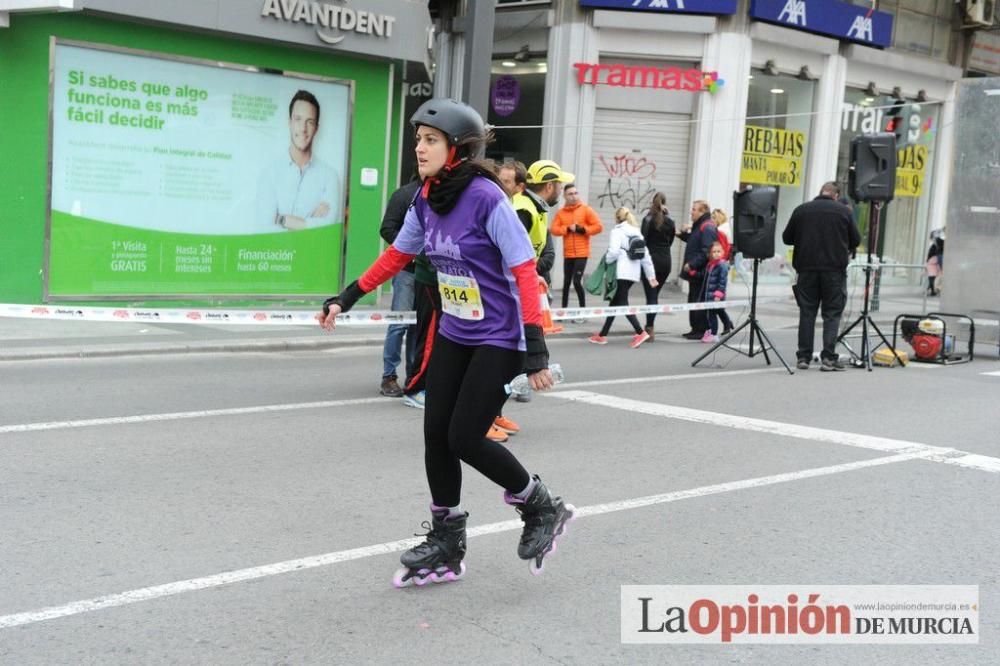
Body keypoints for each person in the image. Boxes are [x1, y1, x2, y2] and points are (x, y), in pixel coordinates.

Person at [317, 98, 575, 585]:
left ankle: (540, 506)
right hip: (456, 329)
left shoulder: (486, 197)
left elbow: (523, 269)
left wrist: (535, 347)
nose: (420, 147)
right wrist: (346, 297)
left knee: (465, 437)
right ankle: (446, 538)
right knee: (435, 433)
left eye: (430, 139)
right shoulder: (426, 197)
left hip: (498, 337)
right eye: (418, 139)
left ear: (455, 148)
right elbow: (397, 255)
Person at [782, 181, 861, 371]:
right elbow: (856, 240)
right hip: (834, 271)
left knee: (807, 313)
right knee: (832, 314)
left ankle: (804, 357)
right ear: (836, 195)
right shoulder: (843, 212)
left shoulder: (801, 210)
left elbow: (787, 238)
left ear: (820, 192)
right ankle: (828, 358)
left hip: (806, 270)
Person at [256, 90, 339, 231]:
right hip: (278, 253)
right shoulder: (270, 173)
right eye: (298, 119)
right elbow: (266, 227)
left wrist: (282, 219)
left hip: (312, 253)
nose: (303, 129)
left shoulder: (329, 176)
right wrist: (311, 223)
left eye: (310, 122)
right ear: (289, 122)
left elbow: (329, 225)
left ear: (316, 129)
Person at [589, 207, 657, 347]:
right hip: (633, 274)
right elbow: (646, 256)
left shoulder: (617, 231)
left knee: (622, 303)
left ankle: (640, 332)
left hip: (620, 272)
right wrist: (651, 276)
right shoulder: (637, 233)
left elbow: (613, 252)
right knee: (615, 302)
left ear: (617, 218)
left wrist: (607, 261)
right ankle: (602, 335)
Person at [378, 180, 421, 397]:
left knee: (418, 326)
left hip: (429, 275)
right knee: (399, 324)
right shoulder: (404, 195)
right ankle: (389, 376)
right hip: (406, 272)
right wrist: (410, 249)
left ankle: (414, 375)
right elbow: (386, 228)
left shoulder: (442, 196)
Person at [551, 183, 603, 313]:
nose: (574, 196)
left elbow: (598, 227)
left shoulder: (586, 210)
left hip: (582, 253)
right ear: (564, 196)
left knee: (577, 281)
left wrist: (582, 229)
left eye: (575, 193)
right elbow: (554, 229)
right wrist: (567, 229)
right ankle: (563, 311)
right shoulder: (561, 213)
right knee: (566, 283)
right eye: (570, 194)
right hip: (568, 254)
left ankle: (582, 311)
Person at [676, 200, 718, 339]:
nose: (691, 212)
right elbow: (694, 242)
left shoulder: (707, 227)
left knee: (698, 300)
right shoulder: (699, 225)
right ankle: (695, 329)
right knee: (693, 300)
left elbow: (707, 251)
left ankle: (701, 330)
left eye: (694, 209)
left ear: (702, 211)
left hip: (700, 273)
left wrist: (692, 264)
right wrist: (681, 235)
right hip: (694, 273)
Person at [639, 192, 675, 341]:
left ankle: (649, 328)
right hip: (666, 262)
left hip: (651, 262)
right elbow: (671, 240)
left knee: (651, 296)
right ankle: (649, 326)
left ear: (652, 203)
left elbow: (643, 240)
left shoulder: (647, 219)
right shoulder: (670, 221)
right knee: (655, 294)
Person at [708, 208, 734, 336]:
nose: (712, 220)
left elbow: (721, 248)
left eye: (713, 217)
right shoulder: (726, 230)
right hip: (721, 263)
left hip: (720, 264)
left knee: (717, 306)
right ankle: (727, 323)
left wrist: (718, 260)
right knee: (718, 307)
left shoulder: (721, 231)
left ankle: (726, 324)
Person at [701, 241, 732, 343]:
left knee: (712, 315)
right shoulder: (711, 265)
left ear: (723, 252)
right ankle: (723, 326)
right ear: (710, 253)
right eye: (714, 252)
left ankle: (714, 334)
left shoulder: (721, 265)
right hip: (709, 296)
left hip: (716, 296)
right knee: (714, 313)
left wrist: (718, 294)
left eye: (719, 251)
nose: (716, 253)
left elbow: (722, 281)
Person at [926, 228, 945, 296]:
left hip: (933, 261)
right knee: (937, 276)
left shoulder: (935, 244)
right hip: (935, 261)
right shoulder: (938, 242)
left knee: (933, 277)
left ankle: (934, 290)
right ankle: (935, 289)